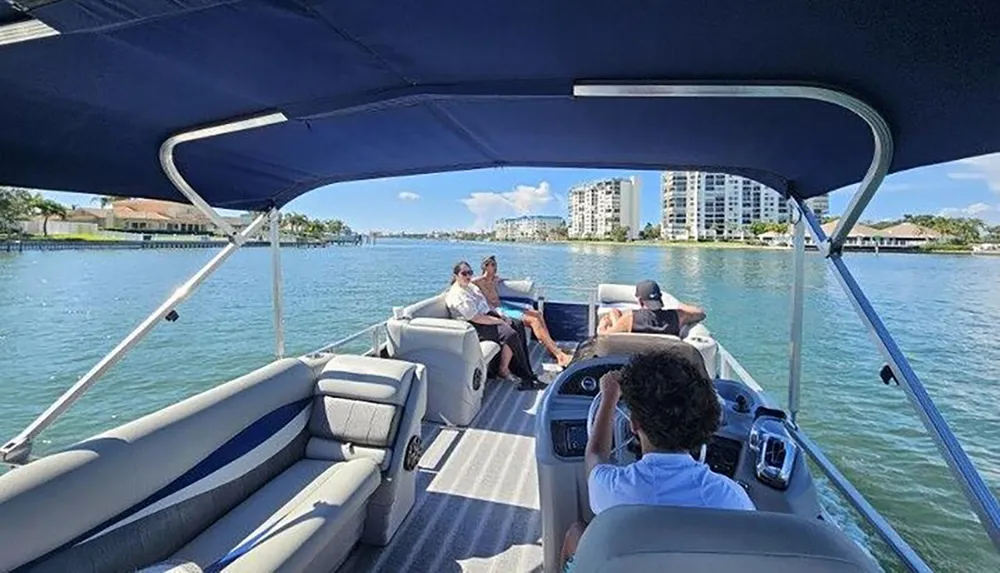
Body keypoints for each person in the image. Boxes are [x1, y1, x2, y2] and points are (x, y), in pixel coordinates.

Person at [560, 350, 754, 572]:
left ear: (633, 424)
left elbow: (595, 456)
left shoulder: (613, 488)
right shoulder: (732, 497)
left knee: (576, 532)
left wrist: (609, 397)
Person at [445, 261, 543, 391]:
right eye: (464, 273)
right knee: (510, 334)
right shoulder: (458, 294)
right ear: (456, 275)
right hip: (472, 326)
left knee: (517, 324)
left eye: (470, 272)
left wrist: (501, 315)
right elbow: (476, 318)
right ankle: (520, 375)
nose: (468, 276)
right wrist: (499, 322)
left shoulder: (471, 287)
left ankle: (524, 370)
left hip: (485, 317)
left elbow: (486, 305)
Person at [474, 255, 573, 367]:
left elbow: (506, 281)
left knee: (537, 314)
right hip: (496, 310)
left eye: (496, 264)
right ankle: (559, 355)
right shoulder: (477, 281)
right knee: (533, 321)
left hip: (503, 306)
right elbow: (461, 285)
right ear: (485, 266)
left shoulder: (495, 280)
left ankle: (551, 349)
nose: (495, 267)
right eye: (492, 265)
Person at [597, 279, 705, 337]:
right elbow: (701, 313)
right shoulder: (678, 317)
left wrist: (603, 325)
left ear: (639, 300)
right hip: (664, 364)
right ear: (660, 298)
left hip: (634, 362)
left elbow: (605, 336)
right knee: (615, 313)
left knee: (614, 313)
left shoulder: (630, 319)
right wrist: (680, 306)